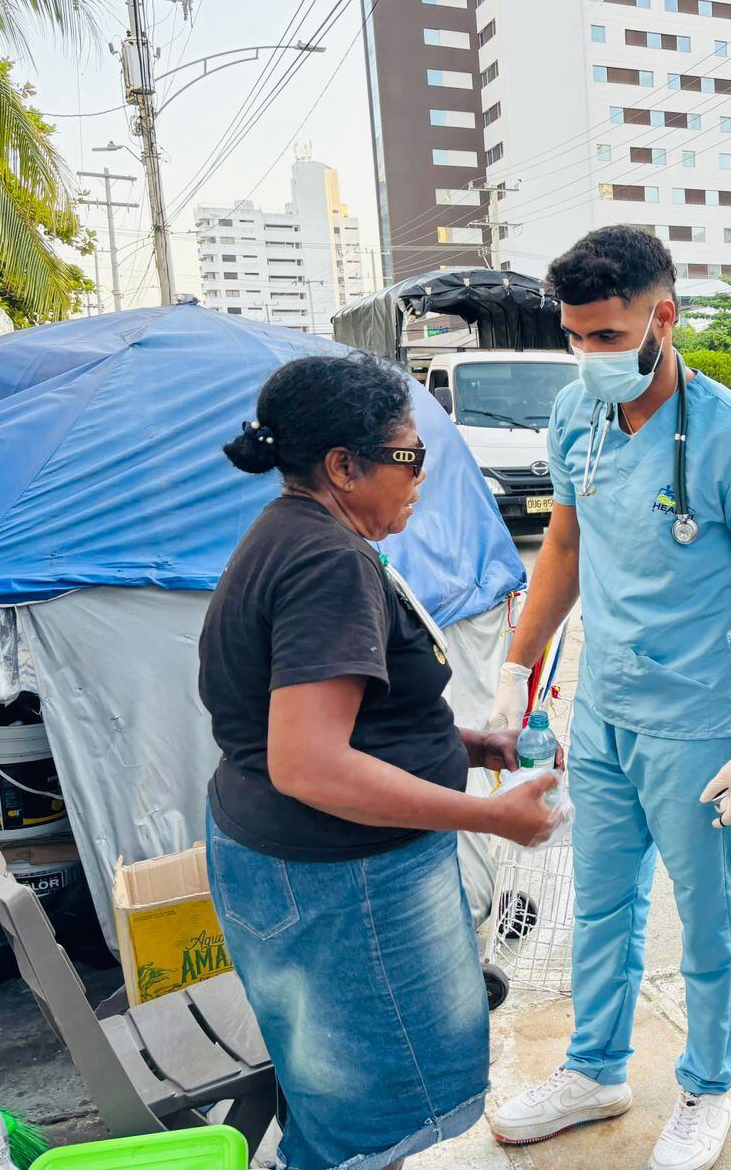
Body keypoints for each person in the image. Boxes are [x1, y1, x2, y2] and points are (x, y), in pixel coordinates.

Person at [486, 226, 731, 1170]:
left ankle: (708, 1084)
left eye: (608, 336)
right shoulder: (574, 418)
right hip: (604, 708)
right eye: (575, 337)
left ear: (664, 317)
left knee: (709, 919)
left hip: (701, 724)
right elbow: (568, 549)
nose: (590, 356)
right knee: (600, 907)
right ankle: (596, 1070)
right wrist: (517, 665)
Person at [199, 354, 560, 1170]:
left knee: (338, 1089)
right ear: (342, 466)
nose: (420, 476)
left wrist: (469, 745)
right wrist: (489, 813)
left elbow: (318, 719)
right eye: (410, 456)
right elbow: (311, 766)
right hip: (342, 884)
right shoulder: (326, 561)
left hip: (293, 861)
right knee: (363, 1112)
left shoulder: (292, 533)